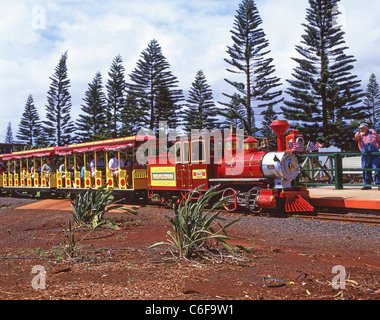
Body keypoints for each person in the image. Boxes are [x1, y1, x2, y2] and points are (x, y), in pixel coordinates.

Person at [354, 123, 380, 190]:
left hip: (375, 154)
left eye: (362, 128)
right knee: (365, 168)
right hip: (365, 154)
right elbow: (356, 137)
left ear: (366, 127)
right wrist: (358, 133)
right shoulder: (360, 135)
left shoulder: (373, 133)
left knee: (376, 168)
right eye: (360, 128)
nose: (361, 129)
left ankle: (378, 184)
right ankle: (367, 185)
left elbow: (379, 140)